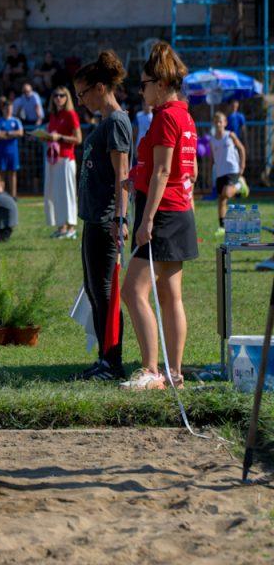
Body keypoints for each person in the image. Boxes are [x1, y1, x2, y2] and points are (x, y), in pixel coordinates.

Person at [121, 42, 199, 391]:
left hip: (165, 213)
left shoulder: (166, 116)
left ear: (162, 84)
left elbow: (163, 172)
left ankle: (152, 370)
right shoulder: (185, 115)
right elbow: (190, 170)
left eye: (145, 83)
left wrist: (146, 220)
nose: (142, 90)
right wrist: (134, 178)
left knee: (132, 291)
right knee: (170, 296)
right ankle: (175, 375)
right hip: (180, 211)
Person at [69, 51, 133, 381]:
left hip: (107, 219)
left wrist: (120, 219)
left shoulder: (118, 122)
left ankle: (114, 362)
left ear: (98, 88)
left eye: (82, 94)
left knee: (106, 292)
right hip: (93, 218)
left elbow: (123, 174)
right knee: (94, 290)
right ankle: (104, 359)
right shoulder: (104, 123)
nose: (81, 102)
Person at [39, 86, 81, 239]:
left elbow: (78, 139)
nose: (58, 98)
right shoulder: (53, 115)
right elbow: (53, 135)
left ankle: (71, 228)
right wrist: (46, 137)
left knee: (67, 193)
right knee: (55, 194)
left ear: (67, 97)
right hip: (53, 158)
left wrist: (60, 138)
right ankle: (61, 227)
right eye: (55, 95)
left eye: (62, 95)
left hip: (66, 158)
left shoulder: (71, 114)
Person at [208, 111, 249, 236]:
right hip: (220, 172)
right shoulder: (212, 141)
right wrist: (211, 173)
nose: (218, 124)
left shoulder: (230, 135)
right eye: (216, 122)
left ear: (225, 123)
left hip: (232, 169)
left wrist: (242, 164)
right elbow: (212, 159)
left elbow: (241, 148)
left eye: (220, 122)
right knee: (221, 200)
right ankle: (222, 227)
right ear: (214, 124)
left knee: (226, 193)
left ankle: (239, 186)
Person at [0, 98, 23, 197]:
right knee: (2, 174)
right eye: (6, 108)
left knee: (13, 173)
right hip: (2, 151)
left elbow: (20, 133)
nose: (8, 110)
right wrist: (12, 134)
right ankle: (2, 194)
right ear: (3, 109)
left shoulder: (16, 121)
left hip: (13, 151)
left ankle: (13, 195)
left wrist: (7, 133)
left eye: (10, 108)